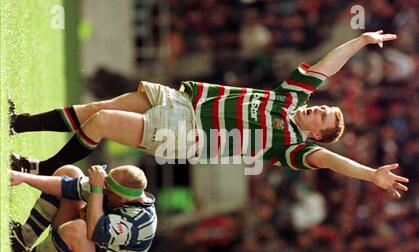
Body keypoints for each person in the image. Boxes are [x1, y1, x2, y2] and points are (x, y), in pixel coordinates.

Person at [10, 30, 408, 198]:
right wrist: (360, 40)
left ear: (315, 136)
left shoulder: (291, 148)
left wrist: (370, 173)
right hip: (187, 99)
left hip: (186, 135)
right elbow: (326, 65)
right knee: (95, 109)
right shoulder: (291, 99)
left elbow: (333, 162)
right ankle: (17, 123)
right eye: (324, 107)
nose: (320, 108)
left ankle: (38, 169)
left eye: (322, 117)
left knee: (99, 123)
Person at [10, 164, 157, 252]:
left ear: (122, 199)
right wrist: (23, 177)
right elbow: (66, 186)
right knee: (69, 172)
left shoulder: (140, 223)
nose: (105, 189)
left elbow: (95, 230)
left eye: (108, 190)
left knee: (80, 228)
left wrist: (97, 189)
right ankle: (22, 239)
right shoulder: (116, 194)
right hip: (69, 249)